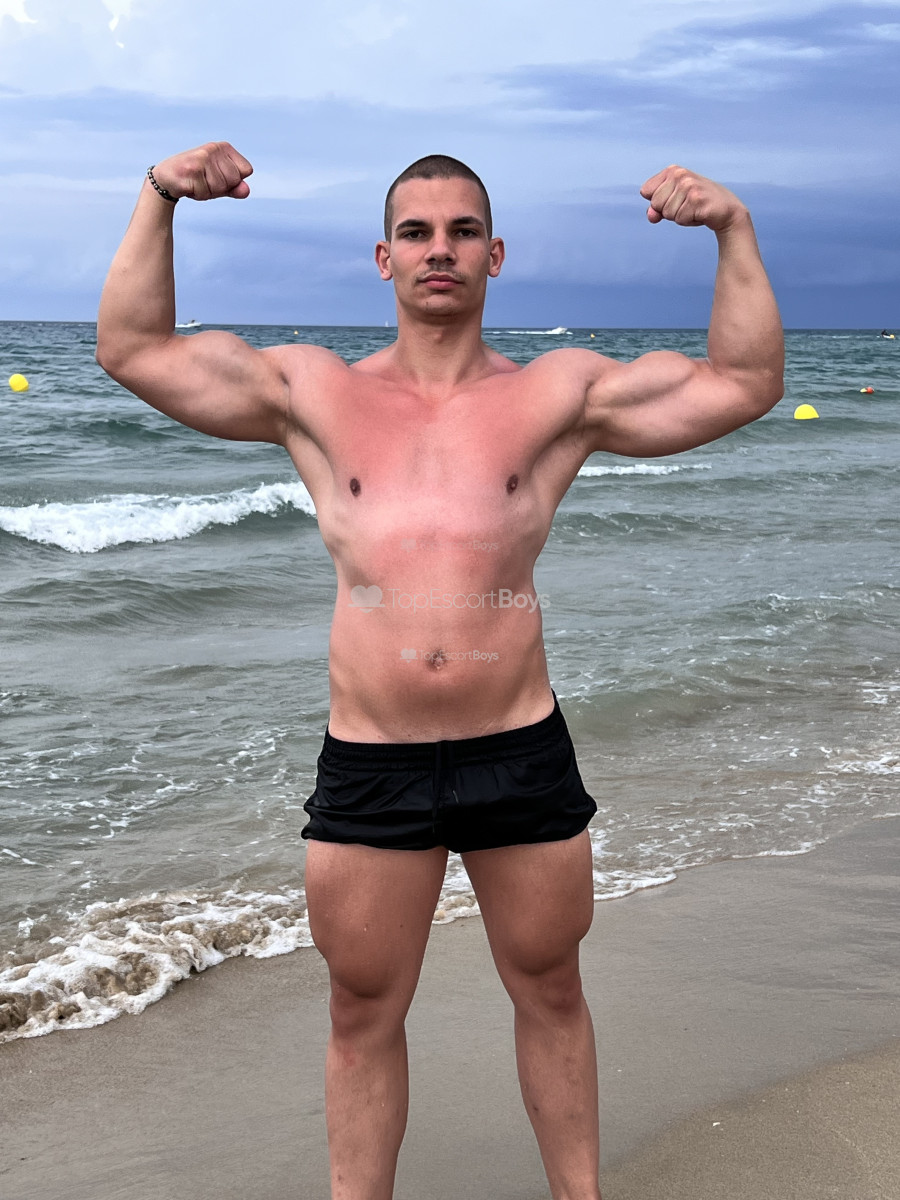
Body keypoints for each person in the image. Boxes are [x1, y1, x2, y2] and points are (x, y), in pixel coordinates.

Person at [96, 143, 784, 1200]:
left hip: (518, 748)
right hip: (373, 760)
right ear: (384, 257)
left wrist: (732, 228)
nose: (440, 250)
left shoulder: (557, 392)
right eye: (416, 233)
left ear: (495, 255)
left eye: (463, 231)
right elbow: (132, 348)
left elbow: (744, 382)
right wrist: (159, 196)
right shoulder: (312, 390)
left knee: (551, 990)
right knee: (362, 1012)